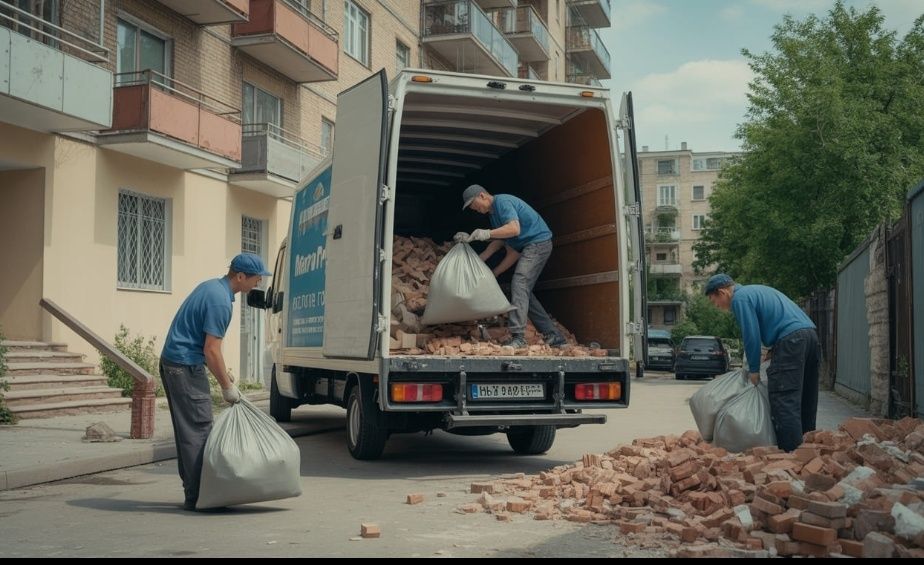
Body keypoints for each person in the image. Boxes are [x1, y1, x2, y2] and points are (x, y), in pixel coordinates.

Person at [159, 252, 270, 511]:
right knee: (198, 431)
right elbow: (211, 349)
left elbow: (206, 348)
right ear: (240, 276)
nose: (258, 284)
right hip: (184, 367)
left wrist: (222, 372)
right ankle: (202, 497)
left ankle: (194, 493)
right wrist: (227, 387)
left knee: (189, 432)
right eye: (256, 279)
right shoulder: (221, 302)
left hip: (176, 363)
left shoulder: (211, 287)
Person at [704, 274, 820, 452]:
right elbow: (782, 321)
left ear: (722, 292)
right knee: (806, 399)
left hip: (792, 340)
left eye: (715, 301)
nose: (717, 306)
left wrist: (754, 369)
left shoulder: (739, 299)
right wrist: (774, 350)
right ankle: (809, 453)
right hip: (810, 336)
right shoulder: (755, 290)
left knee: (785, 400)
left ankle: (791, 458)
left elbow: (751, 335)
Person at [455, 184, 566, 349]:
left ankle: (518, 337)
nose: (474, 209)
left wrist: (486, 233)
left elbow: (514, 229)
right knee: (522, 290)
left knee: (519, 284)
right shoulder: (494, 215)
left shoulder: (502, 202)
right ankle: (554, 335)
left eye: (474, 205)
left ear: (482, 196)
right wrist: (483, 260)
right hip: (527, 246)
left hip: (538, 243)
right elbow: (507, 247)